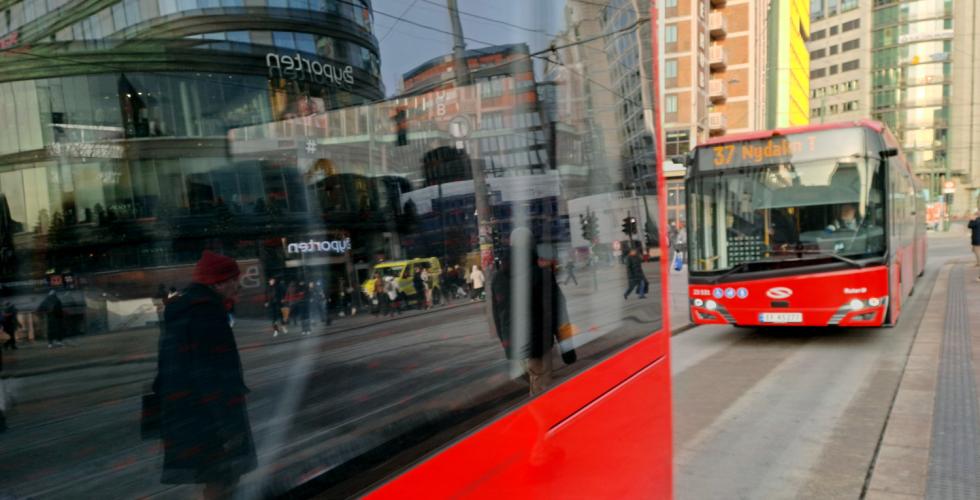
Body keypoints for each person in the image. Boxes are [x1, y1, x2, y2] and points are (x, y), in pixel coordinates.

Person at [157, 250, 256, 498]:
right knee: (224, 479)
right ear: (219, 281)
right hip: (211, 415)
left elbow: (169, 365)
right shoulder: (208, 313)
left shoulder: (183, 308)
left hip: (188, 411)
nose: (238, 285)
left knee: (213, 477)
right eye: (235, 279)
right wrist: (228, 426)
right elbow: (211, 373)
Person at [491, 228, 576, 396]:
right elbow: (560, 312)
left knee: (534, 384)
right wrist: (567, 349)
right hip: (537, 344)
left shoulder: (498, 279)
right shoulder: (541, 275)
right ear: (532, 246)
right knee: (542, 392)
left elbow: (497, 315)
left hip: (514, 347)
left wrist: (506, 344)